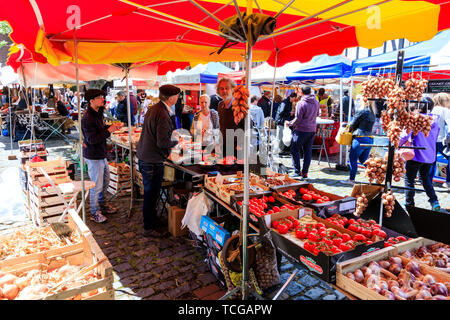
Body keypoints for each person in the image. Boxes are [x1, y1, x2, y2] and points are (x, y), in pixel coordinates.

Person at [136, 84, 180, 238]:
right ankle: (149, 227)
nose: (178, 98)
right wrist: (176, 141)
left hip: (146, 156)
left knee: (151, 193)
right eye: (177, 96)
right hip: (151, 159)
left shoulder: (155, 108)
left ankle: (152, 221)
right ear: (171, 98)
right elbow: (162, 142)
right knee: (151, 193)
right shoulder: (162, 113)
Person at [81, 89, 121, 223]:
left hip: (101, 153)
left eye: (103, 97)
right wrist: (109, 131)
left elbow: (100, 129)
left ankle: (102, 205)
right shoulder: (87, 118)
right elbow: (92, 139)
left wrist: (110, 127)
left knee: (105, 182)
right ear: (91, 101)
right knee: (96, 186)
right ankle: (94, 212)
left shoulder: (98, 113)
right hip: (93, 156)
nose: (103, 99)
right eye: (99, 97)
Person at [400, 97, 441, 211]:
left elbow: (404, 135)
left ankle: (409, 204)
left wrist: (396, 143)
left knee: (409, 179)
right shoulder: (435, 121)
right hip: (429, 156)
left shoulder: (415, 120)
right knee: (426, 179)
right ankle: (434, 201)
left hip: (415, 155)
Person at [341, 100, 376, 185]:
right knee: (364, 160)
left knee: (353, 159)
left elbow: (353, 124)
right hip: (370, 138)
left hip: (360, 138)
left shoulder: (362, 111)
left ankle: (351, 180)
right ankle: (375, 175)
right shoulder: (373, 112)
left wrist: (346, 126)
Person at [287, 86, 319, 179]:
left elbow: (298, 119)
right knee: (307, 152)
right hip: (312, 129)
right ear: (310, 92)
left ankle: (297, 171)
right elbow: (317, 114)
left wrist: (290, 123)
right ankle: (304, 173)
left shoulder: (301, 103)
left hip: (301, 129)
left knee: (294, 149)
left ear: (301, 92)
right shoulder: (316, 102)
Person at [216, 77, 245, 158]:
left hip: (236, 149)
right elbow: (221, 125)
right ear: (218, 91)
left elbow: (249, 126)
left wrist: (241, 144)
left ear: (232, 90)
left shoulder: (239, 106)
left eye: (227, 88)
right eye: (221, 88)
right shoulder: (220, 105)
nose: (224, 91)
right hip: (223, 146)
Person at [429, 92, 450, 189]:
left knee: (431, 161)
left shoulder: (432, 109)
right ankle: (448, 181)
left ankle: (428, 181)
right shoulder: (445, 110)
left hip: (430, 139)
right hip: (442, 139)